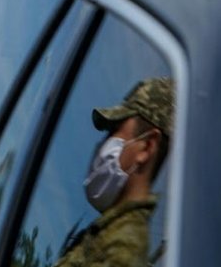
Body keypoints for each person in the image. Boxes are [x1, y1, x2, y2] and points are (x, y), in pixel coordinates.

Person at [54, 77, 173, 267]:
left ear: (147, 147)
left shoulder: (121, 251)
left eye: (114, 131)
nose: (102, 145)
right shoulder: (105, 235)